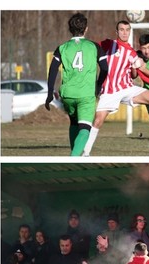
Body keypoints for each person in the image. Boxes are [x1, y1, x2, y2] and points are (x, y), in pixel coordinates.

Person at [82, 20, 149, 156]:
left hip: (127, 88)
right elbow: (93, 47)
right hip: (110, 90)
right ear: (117, 32)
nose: (125, 32)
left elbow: (140, 75)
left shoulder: (133, 53)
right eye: (122, 30)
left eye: (127, 30)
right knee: (98, 121)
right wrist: (81, 42)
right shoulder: (109, 44)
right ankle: (85, 153)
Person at [45, 12, 108, 156]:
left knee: (74, 123)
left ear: (70, 29)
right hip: (86, 94)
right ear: (85, 28)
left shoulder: (62, 48)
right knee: (85, 128)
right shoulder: (94, 47)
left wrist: (49, 93)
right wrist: (98, 86)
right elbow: (105, 68)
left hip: (67, 95)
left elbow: (53, 70)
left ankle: (75, 154)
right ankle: (74, 157)